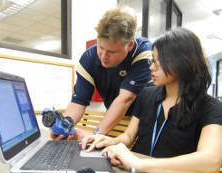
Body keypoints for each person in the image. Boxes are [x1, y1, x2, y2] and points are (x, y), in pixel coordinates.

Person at [81, 27, 222, 173]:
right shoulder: (146, 94)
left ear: (181, 63)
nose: (151, 67)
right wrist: (110, 141)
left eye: (158, 62)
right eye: (152, 61)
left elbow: (211, 162)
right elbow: (129, 137)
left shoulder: (211, 108)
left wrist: (139, 164)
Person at [51, 6, 153, 140]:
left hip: (144, 121)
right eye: (100, 47)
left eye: (112, 52)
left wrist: (95, 134)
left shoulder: (143, 52)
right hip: (115, 121)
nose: (103, 56)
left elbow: (125, 98)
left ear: (129, 45)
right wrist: (66, 124)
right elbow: (78, 102)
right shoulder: (88, 59)